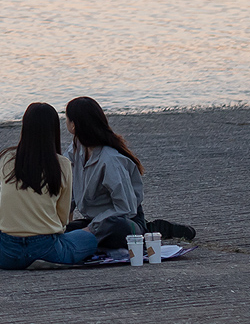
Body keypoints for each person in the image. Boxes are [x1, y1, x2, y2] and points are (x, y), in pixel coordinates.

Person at [0, 102, 100, 269]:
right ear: (53, 130)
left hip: (9, 252)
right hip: (46, 248)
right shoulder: (62, 164)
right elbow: (63, 218)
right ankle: (40, 259)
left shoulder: (6, 159)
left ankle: (21, 258)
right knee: (89, 239)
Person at [65, 96, 196, 246]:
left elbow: (126, 209)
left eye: (67, 119)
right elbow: (68, 186)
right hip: (95, 221)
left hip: (124, 220)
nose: (65, 123)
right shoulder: (76, 149)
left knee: (115, 229)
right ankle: (145, 229)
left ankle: (148, 230)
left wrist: (91, 229)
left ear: (74, 125)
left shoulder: (110, 160)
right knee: (62, 232)